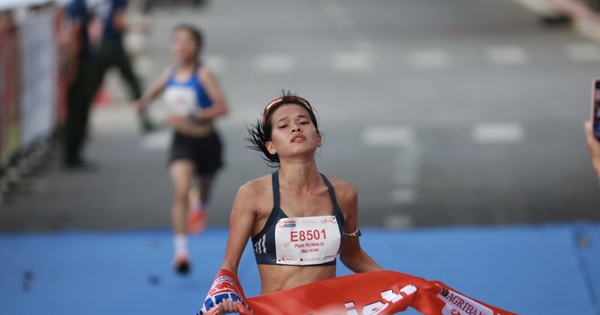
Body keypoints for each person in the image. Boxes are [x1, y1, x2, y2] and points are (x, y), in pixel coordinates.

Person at [205, 91, 383, 314]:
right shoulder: (253, 194)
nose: (295, 128)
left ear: (318, 138)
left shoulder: (344, 194)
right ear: (271, 146)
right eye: (283, 125)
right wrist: (224, 295)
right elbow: (229, 266)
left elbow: (352, 254)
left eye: (303, 122)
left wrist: (400, 282)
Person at [135, 24, 228, 275]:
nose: (182, 46)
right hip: (182, 142)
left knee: (203, 193)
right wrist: (142, 102)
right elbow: (154, 91)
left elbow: (223, 108)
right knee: (181, 191)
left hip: (208, 142)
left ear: (197, 46)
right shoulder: (170, 73)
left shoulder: (204, 74)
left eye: (187, 41)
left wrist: (192, 115)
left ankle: (199, 205)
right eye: (177, 41)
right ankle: (181, 253)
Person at [94, 0, 154, 132]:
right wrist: (138, 28)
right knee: (133, 84)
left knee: (92, 86)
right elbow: (118, 23)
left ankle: (78, 128)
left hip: (103, 45)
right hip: (113, 47)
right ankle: (146, 121)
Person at [63, 0, 98, 169]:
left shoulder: (76, 5)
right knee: (78, 110)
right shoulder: (76, 5)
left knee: (78, 109)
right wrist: (74, 67)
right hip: (81, 64)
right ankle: (72, 154)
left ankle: (73, 153)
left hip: (81, 63)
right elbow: (75, 36)